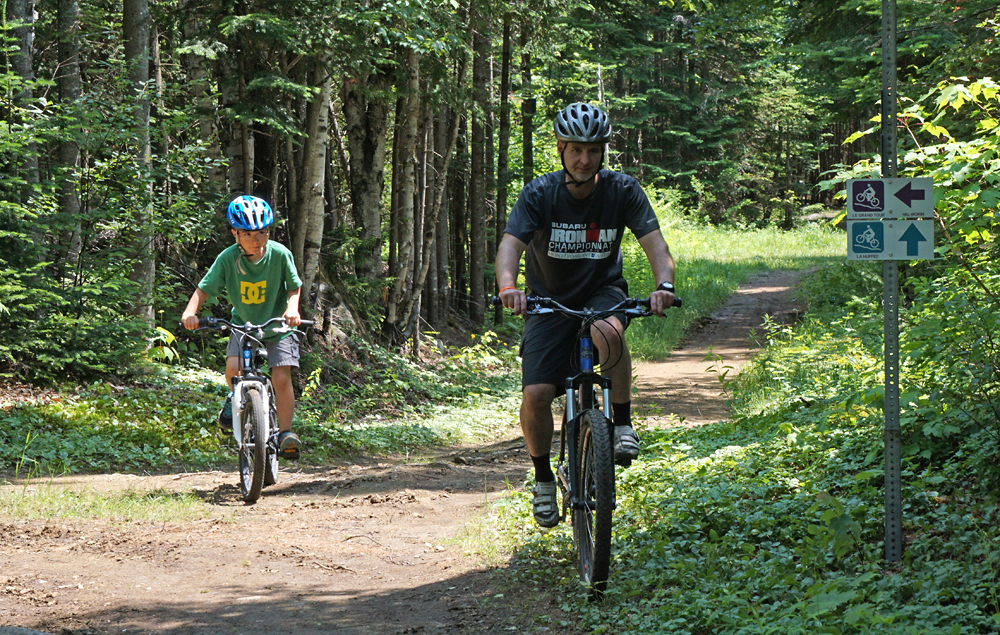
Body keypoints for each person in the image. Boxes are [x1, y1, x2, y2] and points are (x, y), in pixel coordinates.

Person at [495, 102, 677, 528]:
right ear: (561, 149)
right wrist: (508, 287)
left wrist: (663, 286)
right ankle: (542, 481)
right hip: (548, 301)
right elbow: (510, 246)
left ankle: (622, 425)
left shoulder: (622, 190)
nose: (584, 159)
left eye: (593, 151)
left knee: (608, 331)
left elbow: (656, 245)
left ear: (603, 153)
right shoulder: (540, 193)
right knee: (537, 396)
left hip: (601, 291)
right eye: (576, 150)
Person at [181, 195, 305, 460]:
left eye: (263, 232)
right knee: (233, 369)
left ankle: (285, 434)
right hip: (244, 326)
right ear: (235, 233)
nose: (257, 239)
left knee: (281, 378)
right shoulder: (228, 259)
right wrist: (191, 312)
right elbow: (204, 289)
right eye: (249, 234)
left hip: (278, 326)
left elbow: (294, 285)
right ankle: (235, 396)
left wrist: (292, 308)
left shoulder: (280, 254)